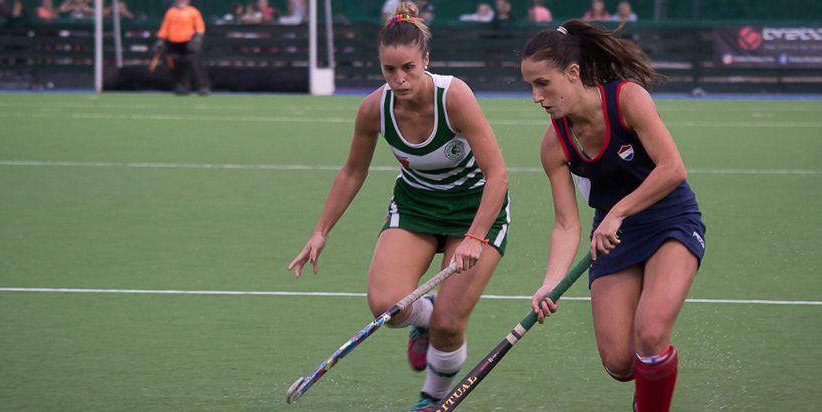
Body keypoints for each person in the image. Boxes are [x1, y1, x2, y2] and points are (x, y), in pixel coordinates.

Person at [288, 3, 510, 411]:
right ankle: (422, 318)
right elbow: (352, 172)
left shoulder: (454, 97)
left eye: (408, 67)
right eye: (389, 70)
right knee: (386, 307)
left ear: (426, 60)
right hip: (416, 206)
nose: (399, 78)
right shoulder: (374, 109)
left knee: (449, 325)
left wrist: (476, 236)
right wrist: (321, 232)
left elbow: (498, 175)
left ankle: (432, 399)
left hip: (475, 208)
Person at [520, 20, 706, 412]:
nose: (536, 97)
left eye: (543, 83)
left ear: (573, 73)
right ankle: (651, 383)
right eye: (531, 86)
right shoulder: (554, 144)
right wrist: (550, 283)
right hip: (614, 236)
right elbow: (566, 224)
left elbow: (673, 169)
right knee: (620, 362)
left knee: (650, 333)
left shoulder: (626, 99)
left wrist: (618, 211)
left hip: (670, 220)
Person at [154, 0, 211, 95]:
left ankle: (202, 87)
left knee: (195, 65)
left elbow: (200, 26)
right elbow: (165, 27)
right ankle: (181, 87)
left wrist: (197, 37)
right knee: (176, 66)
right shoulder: (171, 12)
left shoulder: (192, 11)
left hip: (189, 42)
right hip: (173, 43)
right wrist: (160, 40)